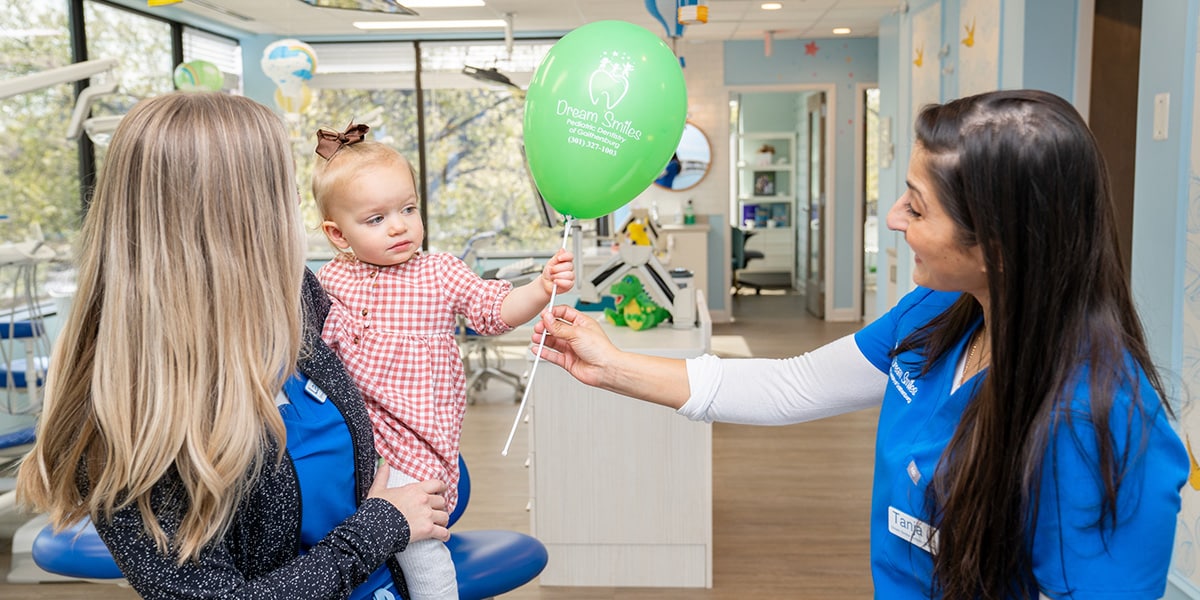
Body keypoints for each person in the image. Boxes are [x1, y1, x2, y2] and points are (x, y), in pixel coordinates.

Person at [529, 89, 1189, 599]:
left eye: (917, 206)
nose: (893, 218)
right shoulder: (938, 314)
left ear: (996, 244)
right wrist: (612, 366)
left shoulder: (1101, 427)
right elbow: (792, 386)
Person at [14, 92, 450, 599]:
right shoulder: (126, 413)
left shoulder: (295, 297)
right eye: (283, 190)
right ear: (239, 216)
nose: (294, 211)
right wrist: (375, 531)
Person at [310, 124, 575, 599]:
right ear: (336, 233)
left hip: (410, 444)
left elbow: (494, 313)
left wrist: (539, 288)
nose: (399, 225)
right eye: (375, 219)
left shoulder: (438, 272)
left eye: (408, 209)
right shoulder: (331, 280)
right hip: (350, 442)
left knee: (420, 548)